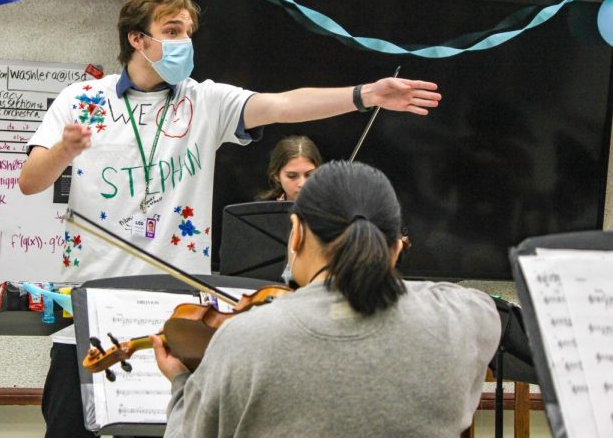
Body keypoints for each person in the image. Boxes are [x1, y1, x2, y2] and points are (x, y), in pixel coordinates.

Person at [19, 0, 442, 437]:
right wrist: (64, 149)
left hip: (175, 314)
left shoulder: (204, 100)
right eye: (172, 31)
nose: (185, 42)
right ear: (137, 40)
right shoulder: (82, 98)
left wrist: (365, 95)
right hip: (89, 308)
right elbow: (31, 181)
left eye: (189, 32)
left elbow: (284, 104)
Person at [150, 160, 501, 438]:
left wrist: (184, 385)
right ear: (395, 248)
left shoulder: (242, 339)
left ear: (297, 233)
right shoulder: (462, 316)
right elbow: (472, 304)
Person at [256, 135, 323, 201]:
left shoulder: (331, 206)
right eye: (292, 176)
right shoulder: (262, 209)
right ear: (276, 176)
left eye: (310, 175)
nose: (302, 184)